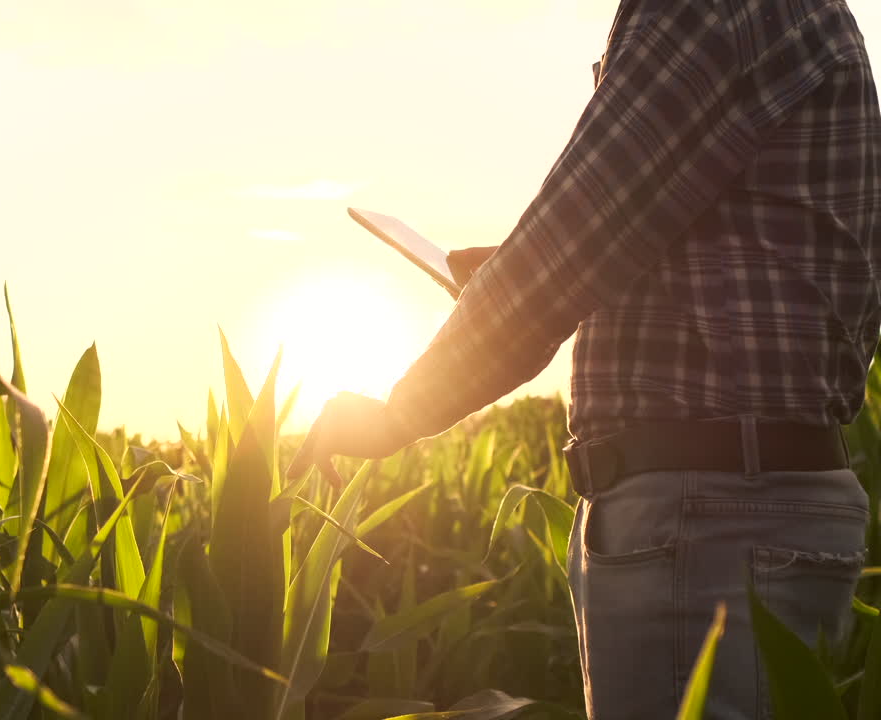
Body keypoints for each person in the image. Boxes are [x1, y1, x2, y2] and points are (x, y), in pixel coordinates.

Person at [288, 0, 880, 717]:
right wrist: (517, 273)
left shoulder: (708, 9)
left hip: (711, 518)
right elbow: (718, 255)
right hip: (747, 504)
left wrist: (398, 414)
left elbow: (571, 245)